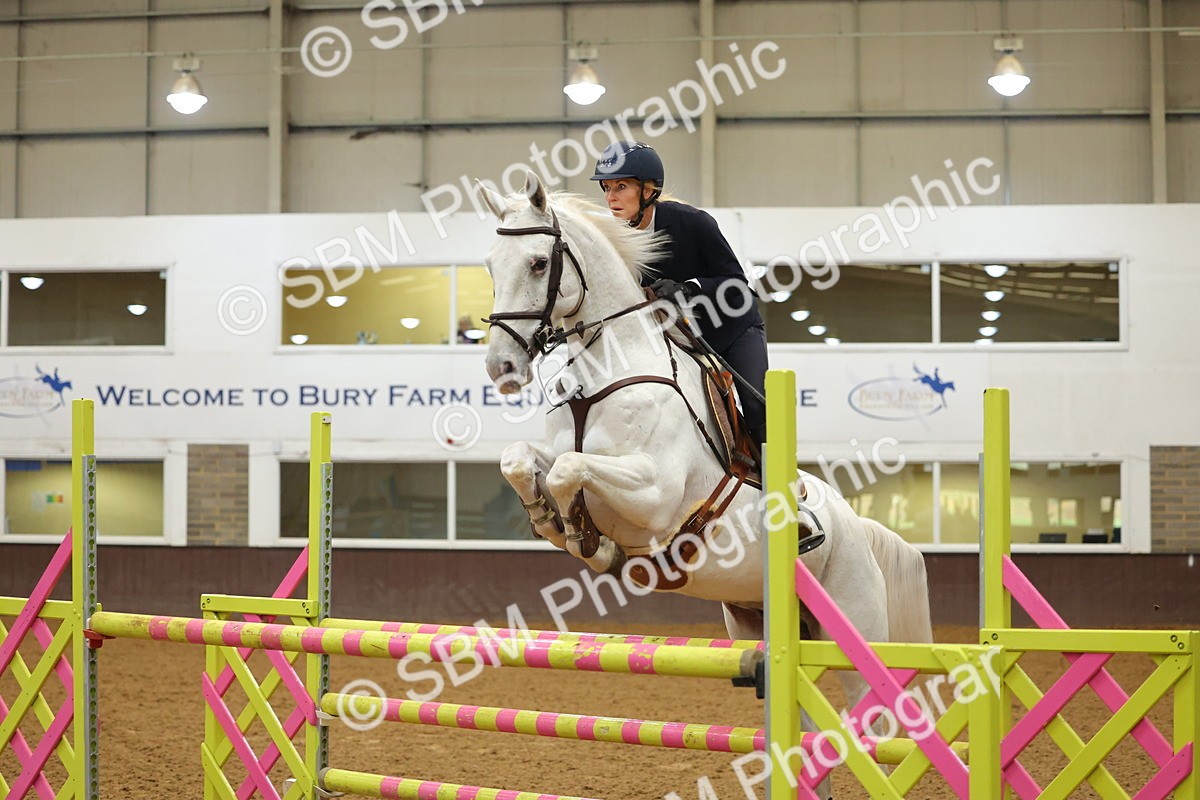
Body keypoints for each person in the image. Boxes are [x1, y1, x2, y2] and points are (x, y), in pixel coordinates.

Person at [589, 140, 769, 446]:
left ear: (648, 191)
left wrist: (689, 287)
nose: (611, 197)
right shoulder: (615, 240)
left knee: (756, 405)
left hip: (732, 330)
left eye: (621, 187)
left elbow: (737, 284)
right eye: (606, 188)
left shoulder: (692, 222)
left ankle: (781, 478)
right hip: (680, 339)